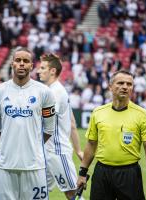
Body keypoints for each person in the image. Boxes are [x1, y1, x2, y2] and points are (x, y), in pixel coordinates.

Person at [77, 70, 146, 200]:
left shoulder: (142, 114)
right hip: (102, 173)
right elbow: (91, 144)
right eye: (120, 83)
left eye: (129, 84)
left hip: (129, 174)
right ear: (110, 86)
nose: (125, 87)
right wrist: (82, 173)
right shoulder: (98, 112)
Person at [0, 47, 56, 200]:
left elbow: (49, 127)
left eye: (26, 61)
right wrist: (8, 142)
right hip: (5, 166)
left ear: (31, 66)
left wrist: (33, 145)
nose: (21, 64)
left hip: (34, 166)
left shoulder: (44, 92)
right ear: (12, 63)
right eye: (18, 60)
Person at [37, 53, 83, 199]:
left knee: (72, 193)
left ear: (52, 71)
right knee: (37, 193)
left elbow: (44, 118)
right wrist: (78, 150)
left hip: (57, 151)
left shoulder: (54, 92)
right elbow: (73, 124)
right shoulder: (58, 90)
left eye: (42, 67)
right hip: (48, 152)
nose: (38, 71)